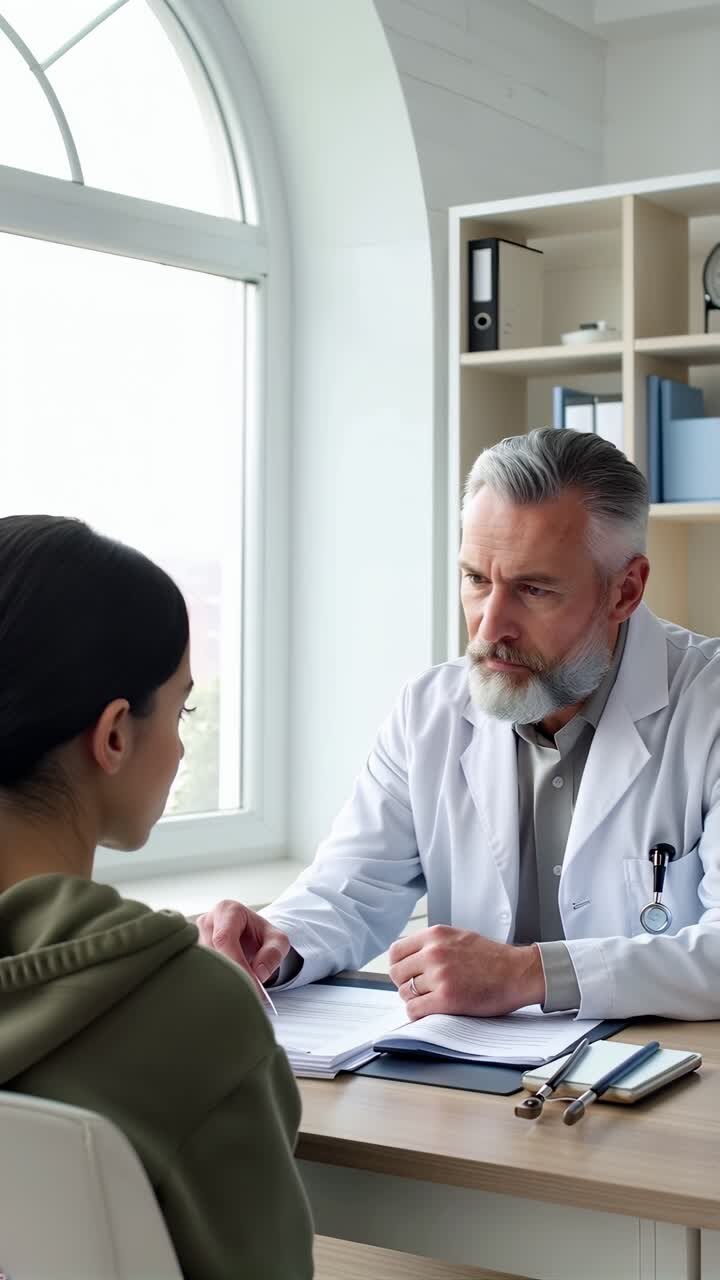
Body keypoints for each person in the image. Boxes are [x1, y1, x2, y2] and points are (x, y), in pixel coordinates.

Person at [198, 427, 720, 1023]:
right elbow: (349, 891)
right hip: (469, 1083)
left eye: (533, 588)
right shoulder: (430, 710)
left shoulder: (709, 705)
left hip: (663, 1081)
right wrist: (271, 943)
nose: (489, 625)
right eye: (476, 580)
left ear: (625, 590)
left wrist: (532, 974)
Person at [0, 514, 313, 1280]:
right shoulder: (194, 1014)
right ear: (113, 736)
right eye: (183, 710)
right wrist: (217, 1008)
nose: (179, 745)